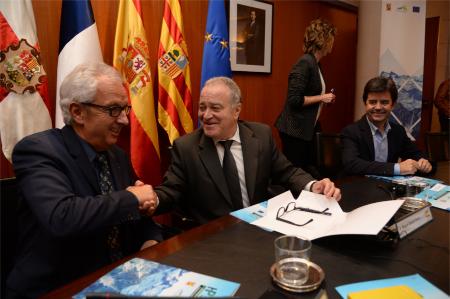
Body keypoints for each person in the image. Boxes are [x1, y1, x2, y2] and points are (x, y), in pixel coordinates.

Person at [6, 63, 161, 299]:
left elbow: (136, 214)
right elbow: (62, 217)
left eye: (125, 109)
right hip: (58, 287)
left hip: (119, 280)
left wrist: (151, 240)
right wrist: (131, 197)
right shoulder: (38, 150)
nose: (124, 120)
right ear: (78, 112)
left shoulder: (116, 155)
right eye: (113, 110)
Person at [155, 77, 341, 225]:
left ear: (236, 111)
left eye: (215, 108)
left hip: (258, 230)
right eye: (202, 107)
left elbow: (287, 172)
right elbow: (171, 191)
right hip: (213, 238)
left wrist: (313, 185)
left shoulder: (260, 135)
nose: (206, 115)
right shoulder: (186, 147)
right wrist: (151, 199)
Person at [275, 19, 336, 179]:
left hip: (308, 129)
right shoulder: (305, 62)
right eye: (332, 40)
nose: (333, 44)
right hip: (294, 130)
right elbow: (294, 100)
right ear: (324, 40)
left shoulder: (316, 64)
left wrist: (324, 99)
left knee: (312, 170)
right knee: (295, 174)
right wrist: (322, 97)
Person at [340, 76, 433, 176]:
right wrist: (396, 168)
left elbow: (416, 154)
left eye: (384, 102)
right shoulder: (351, 131)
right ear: (365, 103)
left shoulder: (398, 131)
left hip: (388, 188)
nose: (378, 107)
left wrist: (424, 162)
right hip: (359, 186)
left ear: (393, 105)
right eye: (372, 102)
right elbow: (351, 164)